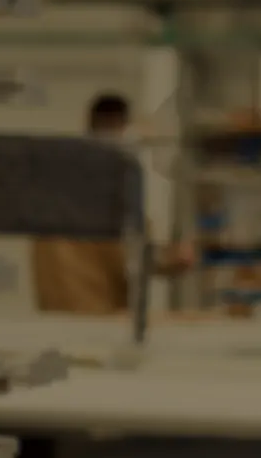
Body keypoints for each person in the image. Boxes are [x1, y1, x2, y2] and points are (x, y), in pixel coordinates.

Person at [30, 93, 194, 314]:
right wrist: (175, 258)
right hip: (95, 314)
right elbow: (133, 252)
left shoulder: (60, 178)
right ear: (121, 127)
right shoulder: (105, 183)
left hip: (54, 313)